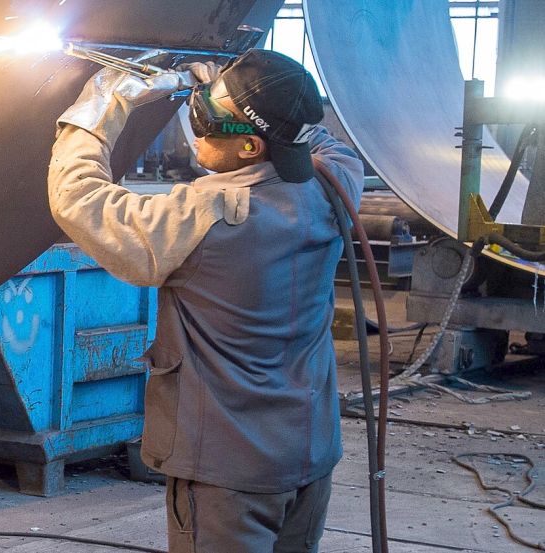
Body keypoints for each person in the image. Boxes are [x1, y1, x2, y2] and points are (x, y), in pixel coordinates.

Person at [47, 49, 364, 552]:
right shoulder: (334, 185)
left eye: (212, 121)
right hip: (309, 458)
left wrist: (104, 104)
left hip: (227, 475)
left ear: (251, 146)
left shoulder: (207, 218)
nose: (197, 128)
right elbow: (312, 135)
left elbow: (79, 197)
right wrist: (244, 87)